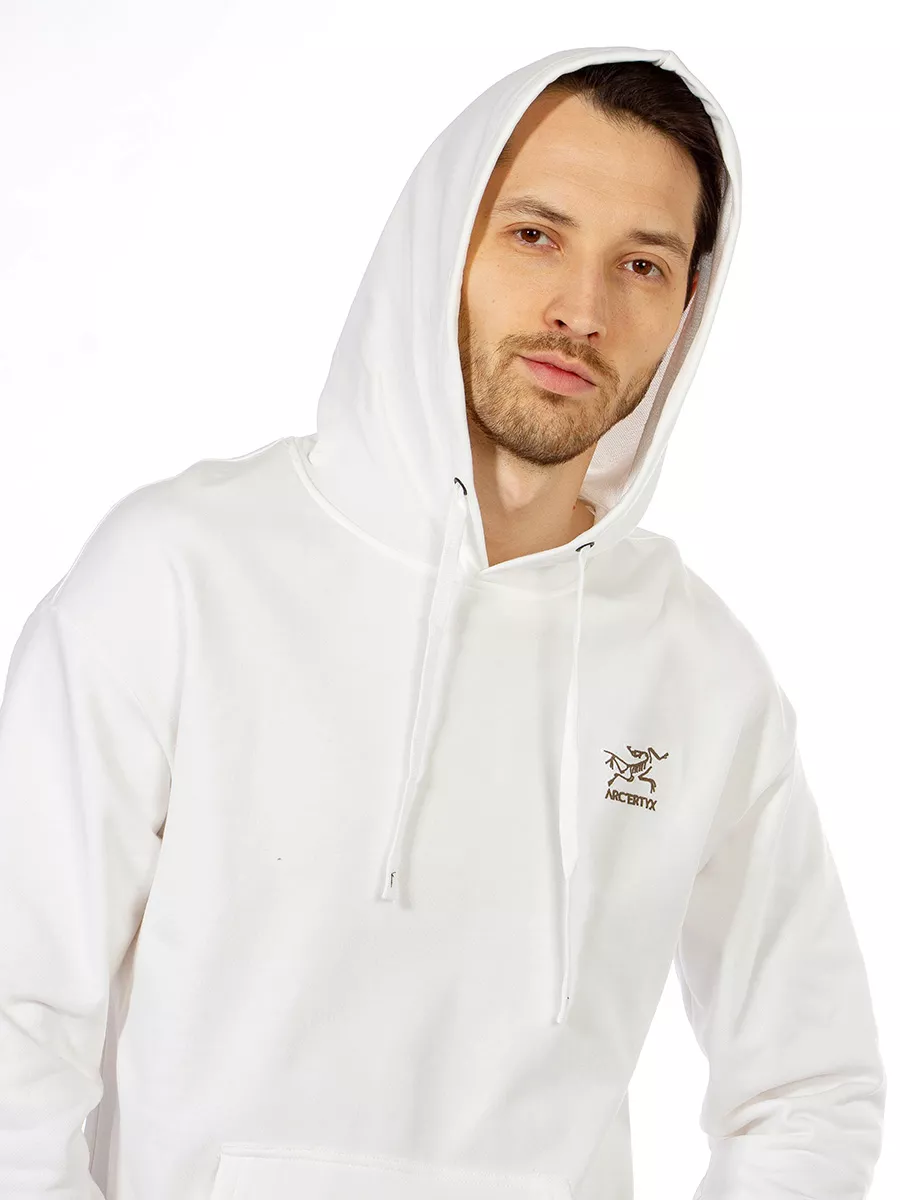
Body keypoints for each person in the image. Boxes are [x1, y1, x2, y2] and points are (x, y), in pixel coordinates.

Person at [0, 44, 886, 1200]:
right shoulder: (181, 574)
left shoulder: (701, 674)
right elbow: (18, 1014)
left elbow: (811, 1088)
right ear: (443, 242)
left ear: (687, 307)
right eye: (536, 235)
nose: (582, 310)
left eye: (642, 264)